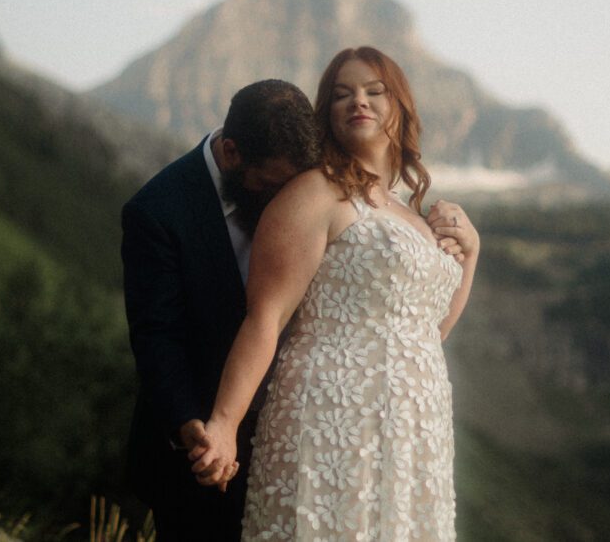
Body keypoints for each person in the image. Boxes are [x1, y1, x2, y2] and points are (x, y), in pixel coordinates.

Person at [191, 47, 480, 540]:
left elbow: (430, 332)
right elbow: (266, 316)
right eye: (342, 95)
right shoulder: (314, 192)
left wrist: (470, 254)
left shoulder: (412, 214)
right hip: (333, 415)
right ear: (327, 114)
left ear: (401, 107)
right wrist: (224, 423)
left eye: (373, 91)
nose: (357, 102)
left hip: (416, 425)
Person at [120, 79, 320, 542]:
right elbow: (157, 336)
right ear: (231, 152)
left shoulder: (297, 181)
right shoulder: (157, 211)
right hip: (198, 461)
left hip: (295, 444)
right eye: (271, 185)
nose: (283, 200)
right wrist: (194, 428)